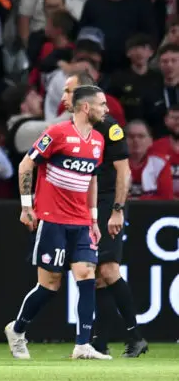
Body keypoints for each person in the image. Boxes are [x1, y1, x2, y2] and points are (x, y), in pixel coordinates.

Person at [4, 85, 110, 360]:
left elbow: (92, 179)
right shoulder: (56, 134)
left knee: (87, 276)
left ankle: (83, 345)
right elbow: (26, 165)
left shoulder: (98, 140)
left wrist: (94, 218)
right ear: (86, 107)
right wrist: (27, 206)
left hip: (82, 222)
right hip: (53, 220)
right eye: (102, 104)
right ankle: (17, 330)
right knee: (50, 284)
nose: (106, 109)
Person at [60, 72, 148, 358]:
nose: (65, 97)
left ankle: (135, 336)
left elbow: (124, 171)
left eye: (69, 91)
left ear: (83, 97)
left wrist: (117, 211)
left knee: (108, 270)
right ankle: (100, 341)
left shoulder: (109, 127)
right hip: (88, 204)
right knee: (96, 275)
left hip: (108, 203)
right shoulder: (72, 128)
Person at [126, 120, 173, 200]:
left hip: (154, 211)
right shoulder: (114, 163)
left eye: (141, 136)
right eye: (131, 136)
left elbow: (166, 198)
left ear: (150, 141)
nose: (136, 140)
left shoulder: (160, 163)